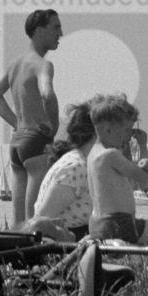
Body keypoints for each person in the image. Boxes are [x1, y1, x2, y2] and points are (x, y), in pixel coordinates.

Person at [0, 10, 61, 225]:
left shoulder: (14, 65)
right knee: (34, 219)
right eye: (56, 27)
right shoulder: (42, 64)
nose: (61, 33)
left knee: (18, 223)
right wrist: (54, 126)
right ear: (40, 30)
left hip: (17, 143)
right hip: (36, 142)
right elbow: (47, 94)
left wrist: (16, 123)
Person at [85, 95, 148, 245]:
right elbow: (144, 176)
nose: (129, 135)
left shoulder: (93, 155)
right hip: (118, 224)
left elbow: (125, 171)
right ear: (108, 129)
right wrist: (142, 146)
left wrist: (126, 151)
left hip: (98, 224)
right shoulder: (110, 155)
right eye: (127, 130)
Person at [27, 102, 97, 241]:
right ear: (98, 132)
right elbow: (42, 220)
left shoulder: (85, 163)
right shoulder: (76, 166)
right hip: (67, 242)